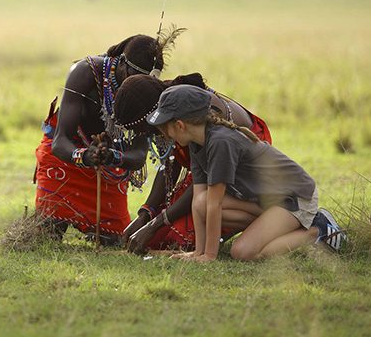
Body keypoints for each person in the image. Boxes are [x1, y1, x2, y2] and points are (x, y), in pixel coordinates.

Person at [146, 84, 346, 261]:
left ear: (180, 125)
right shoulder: (196, 143)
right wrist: (198, 252)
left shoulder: (220, 142)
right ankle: (273, 227)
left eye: (165, 129)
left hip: (295, 199)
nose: (164, 135)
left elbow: (215, 204)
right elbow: (199, 201)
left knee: (242, 252)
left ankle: (317, 230)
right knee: (200, 203)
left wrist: (209, 256)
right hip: (266, 200)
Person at [33, 32, 178, 244]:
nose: (139, 83)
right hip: (66, 159)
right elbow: (59, 142)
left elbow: (138, 156)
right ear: (122, 64)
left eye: (146, 79)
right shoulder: (86, 72)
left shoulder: (145, 92)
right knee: (46, 235)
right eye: (135, 76)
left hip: (109, 167)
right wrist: (85, 156)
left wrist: (112, 157)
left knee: (115, 240)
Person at [114, 73, 271, 254]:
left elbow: (204, 182)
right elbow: (172, 166)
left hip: (240, 168)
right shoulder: (172, 112)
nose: (141, 134)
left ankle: (269, 217)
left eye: (140, 128)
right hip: (210, 171)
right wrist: (146, 214)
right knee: (157, 238)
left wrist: (155, 224)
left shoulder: (190, 117)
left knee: (180, 237)